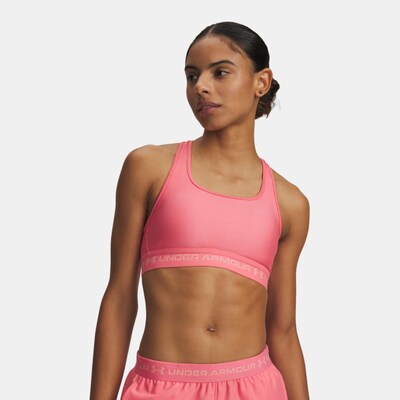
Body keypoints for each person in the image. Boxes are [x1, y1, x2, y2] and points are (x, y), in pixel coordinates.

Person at [90, 21, 310, 400]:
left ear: (261, 82)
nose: (200, 87)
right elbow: (120, 297)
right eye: (192, 76)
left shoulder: (290, 203)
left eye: (220, 72)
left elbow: (283, 330)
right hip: (160, 387)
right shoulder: (149, 168)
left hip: (255, 388)